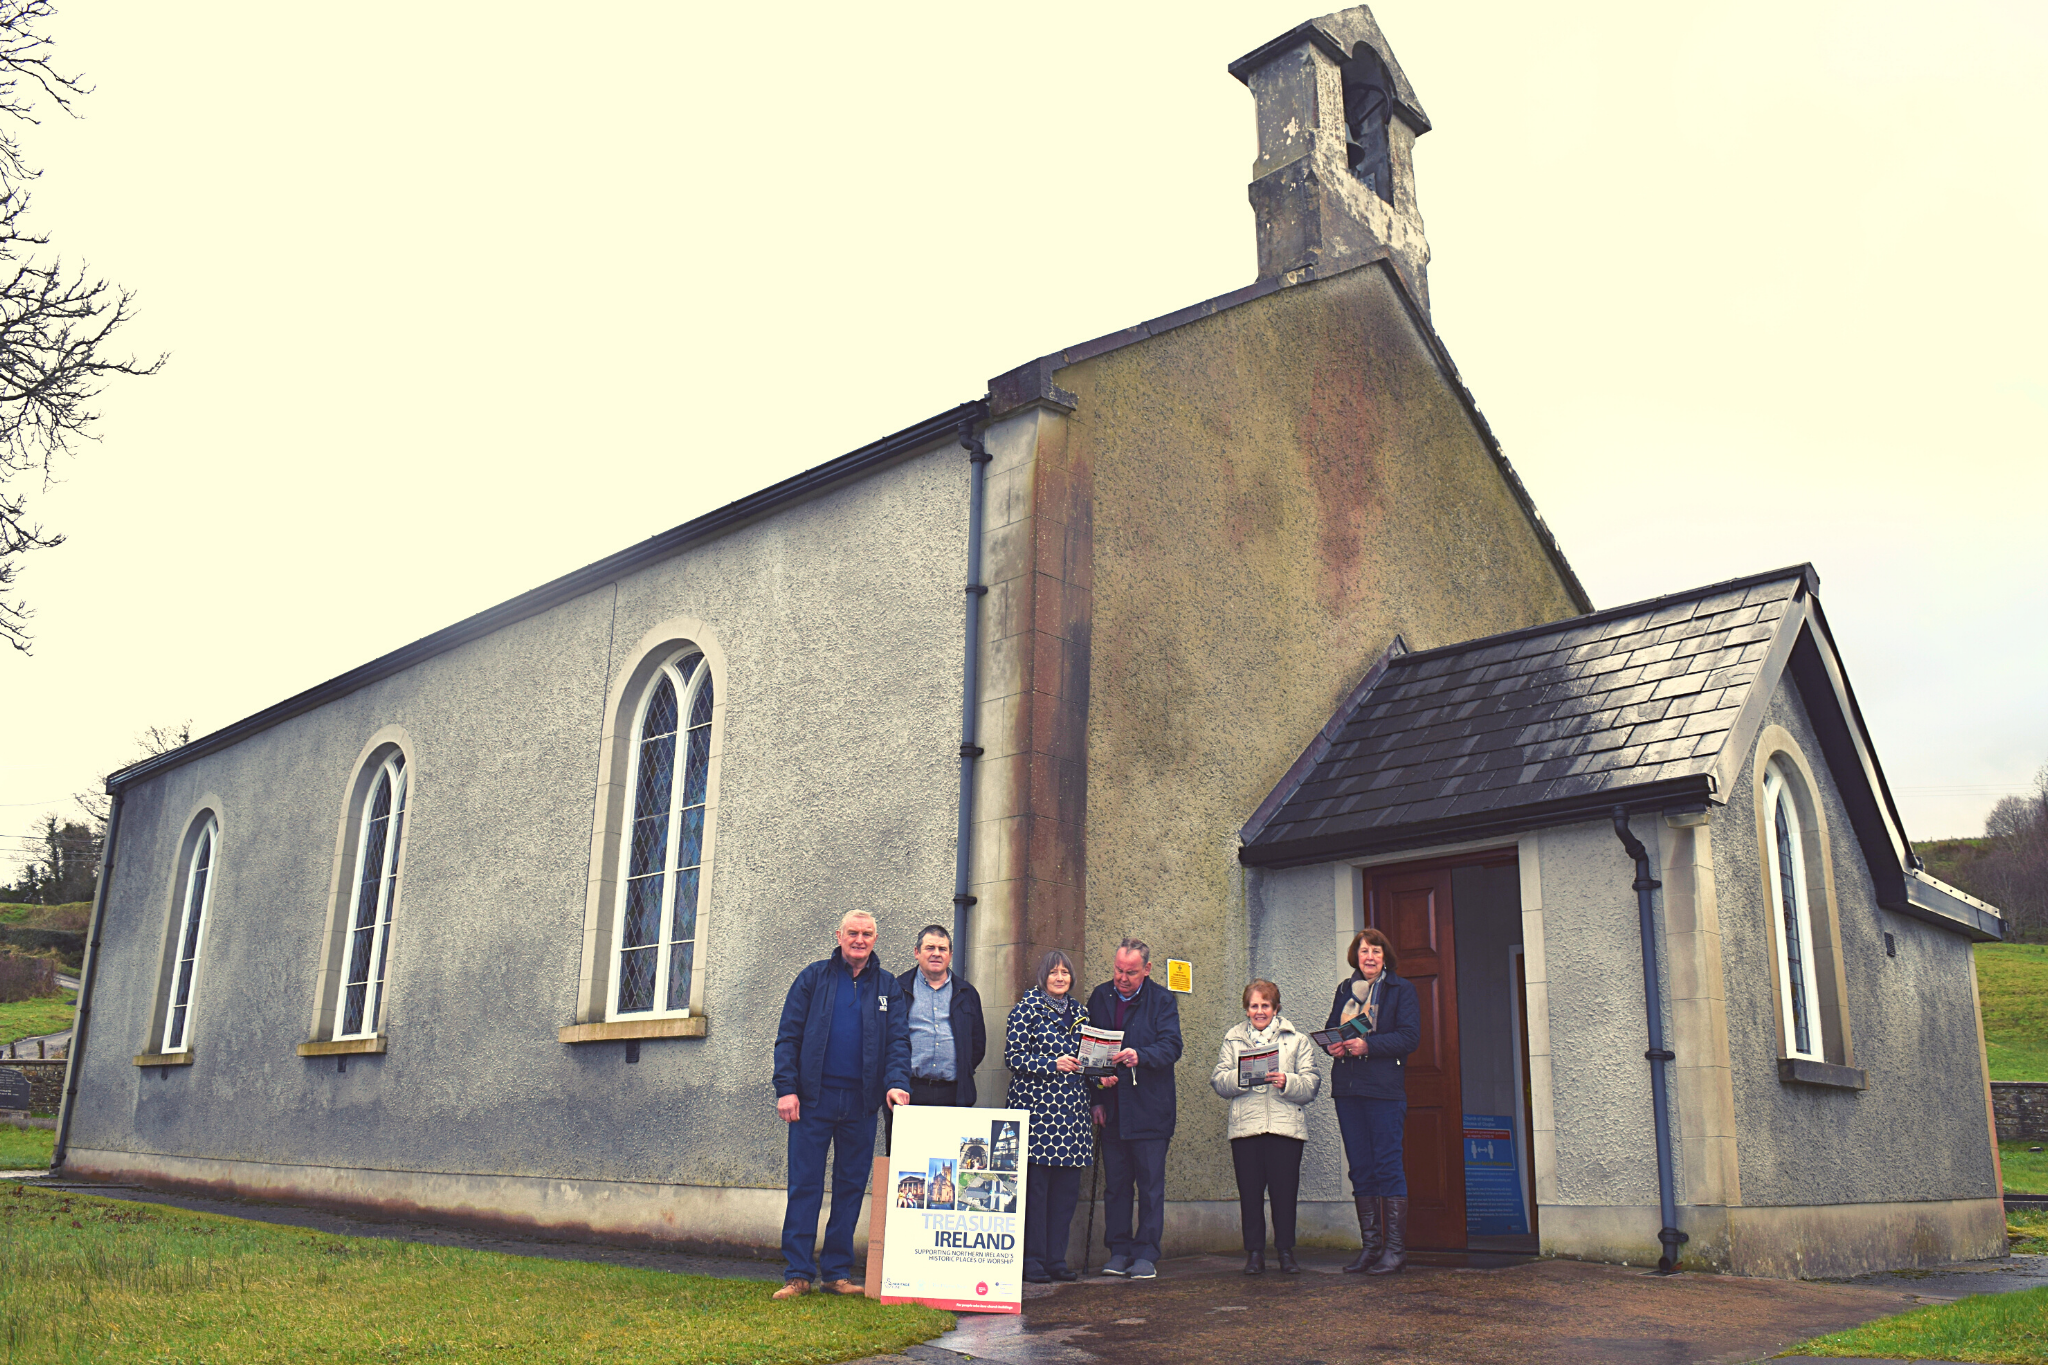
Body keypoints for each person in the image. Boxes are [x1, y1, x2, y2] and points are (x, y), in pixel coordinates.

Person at [771, 910, 911, 1300]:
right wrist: (787, 1088)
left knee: (850, 1188)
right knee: (805, 1186)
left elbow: (898, 1041)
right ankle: (797, 1274)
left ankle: (835, 1273)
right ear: (839, 935)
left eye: (867, 934)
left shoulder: (887, 987)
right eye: (853, 933)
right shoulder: (813, 978)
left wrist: (897, 1084)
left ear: (875, 939)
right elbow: (789, 1037)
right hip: (812, 1101)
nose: (860, 940)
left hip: (862, 1106)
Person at [1322, 926, 1419, 1276]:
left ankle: (1395, 1252)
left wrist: (1369, 1045)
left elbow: (1410, 1037)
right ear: (1356, 957)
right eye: (1364, 951)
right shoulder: (1345, 990)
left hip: (1383, 1090)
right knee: (1360, 1167)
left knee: (1388, 1166)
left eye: (1376, 951)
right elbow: (1334, 1026)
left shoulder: (1401, 990)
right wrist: (1332, 1044)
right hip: (1348, 1089)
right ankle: (1370, 1248)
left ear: (1385, 956)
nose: (1369, 957)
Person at [1210, 979, 1321, 1275]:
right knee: (1250, 1194)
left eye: (1266, 1006)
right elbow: (1219, 1080)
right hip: (1246, 1128)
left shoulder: (1296, 1040)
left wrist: (1287, 1081)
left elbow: (1311, 1085)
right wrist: (1241, 1077)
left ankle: (1286, 1252)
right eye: (1254, 1006)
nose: (1260, 1011)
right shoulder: (1233, 1039)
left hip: (1285, 1129)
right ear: (1246, 1010)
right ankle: (1254, 1254)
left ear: (1276, 1008)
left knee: (1285, 1194)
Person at [1088, 937, 1182, 1280]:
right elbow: (1089, 1050)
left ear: (1147, 969)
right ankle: (1119, 1250)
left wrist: (1140, 1056)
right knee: (1116, 1185)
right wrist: (1097, 1094)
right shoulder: (1100, 996)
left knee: (1150, 1186)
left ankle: (1146, 1253)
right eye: (1117, 969)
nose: (1122, 978)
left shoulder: (1162, 999)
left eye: (1130, 972)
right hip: (1112, 1108)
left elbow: (1172, 1046)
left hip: (1150, 1109)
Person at [1005, 949, 1092, 1284]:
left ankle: (1057, 1259)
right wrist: (1050, 1063)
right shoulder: (1026, 1009)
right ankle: (1031, 1260)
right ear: (1043, 976)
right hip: (1038, 1117)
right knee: (1035, 1194)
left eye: (1065, 972)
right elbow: (1013, 1057)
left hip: (1073, 1119)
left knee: (1065, 1194)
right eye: (1054, 972)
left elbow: (1087, 1059)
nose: (1060, 977)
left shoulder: (1081, 1013)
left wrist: (1102, 1074)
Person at [886, 924, 987, 1108]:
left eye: (942, 949)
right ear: (917, 952)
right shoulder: (898, 989)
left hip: (954, 1093)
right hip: (908, 1091)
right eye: (930, 948)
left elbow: (977, 1044)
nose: (936, 953)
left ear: (950, 954)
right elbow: (887, 1038)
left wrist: (963, 1068)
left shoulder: (967, 993)